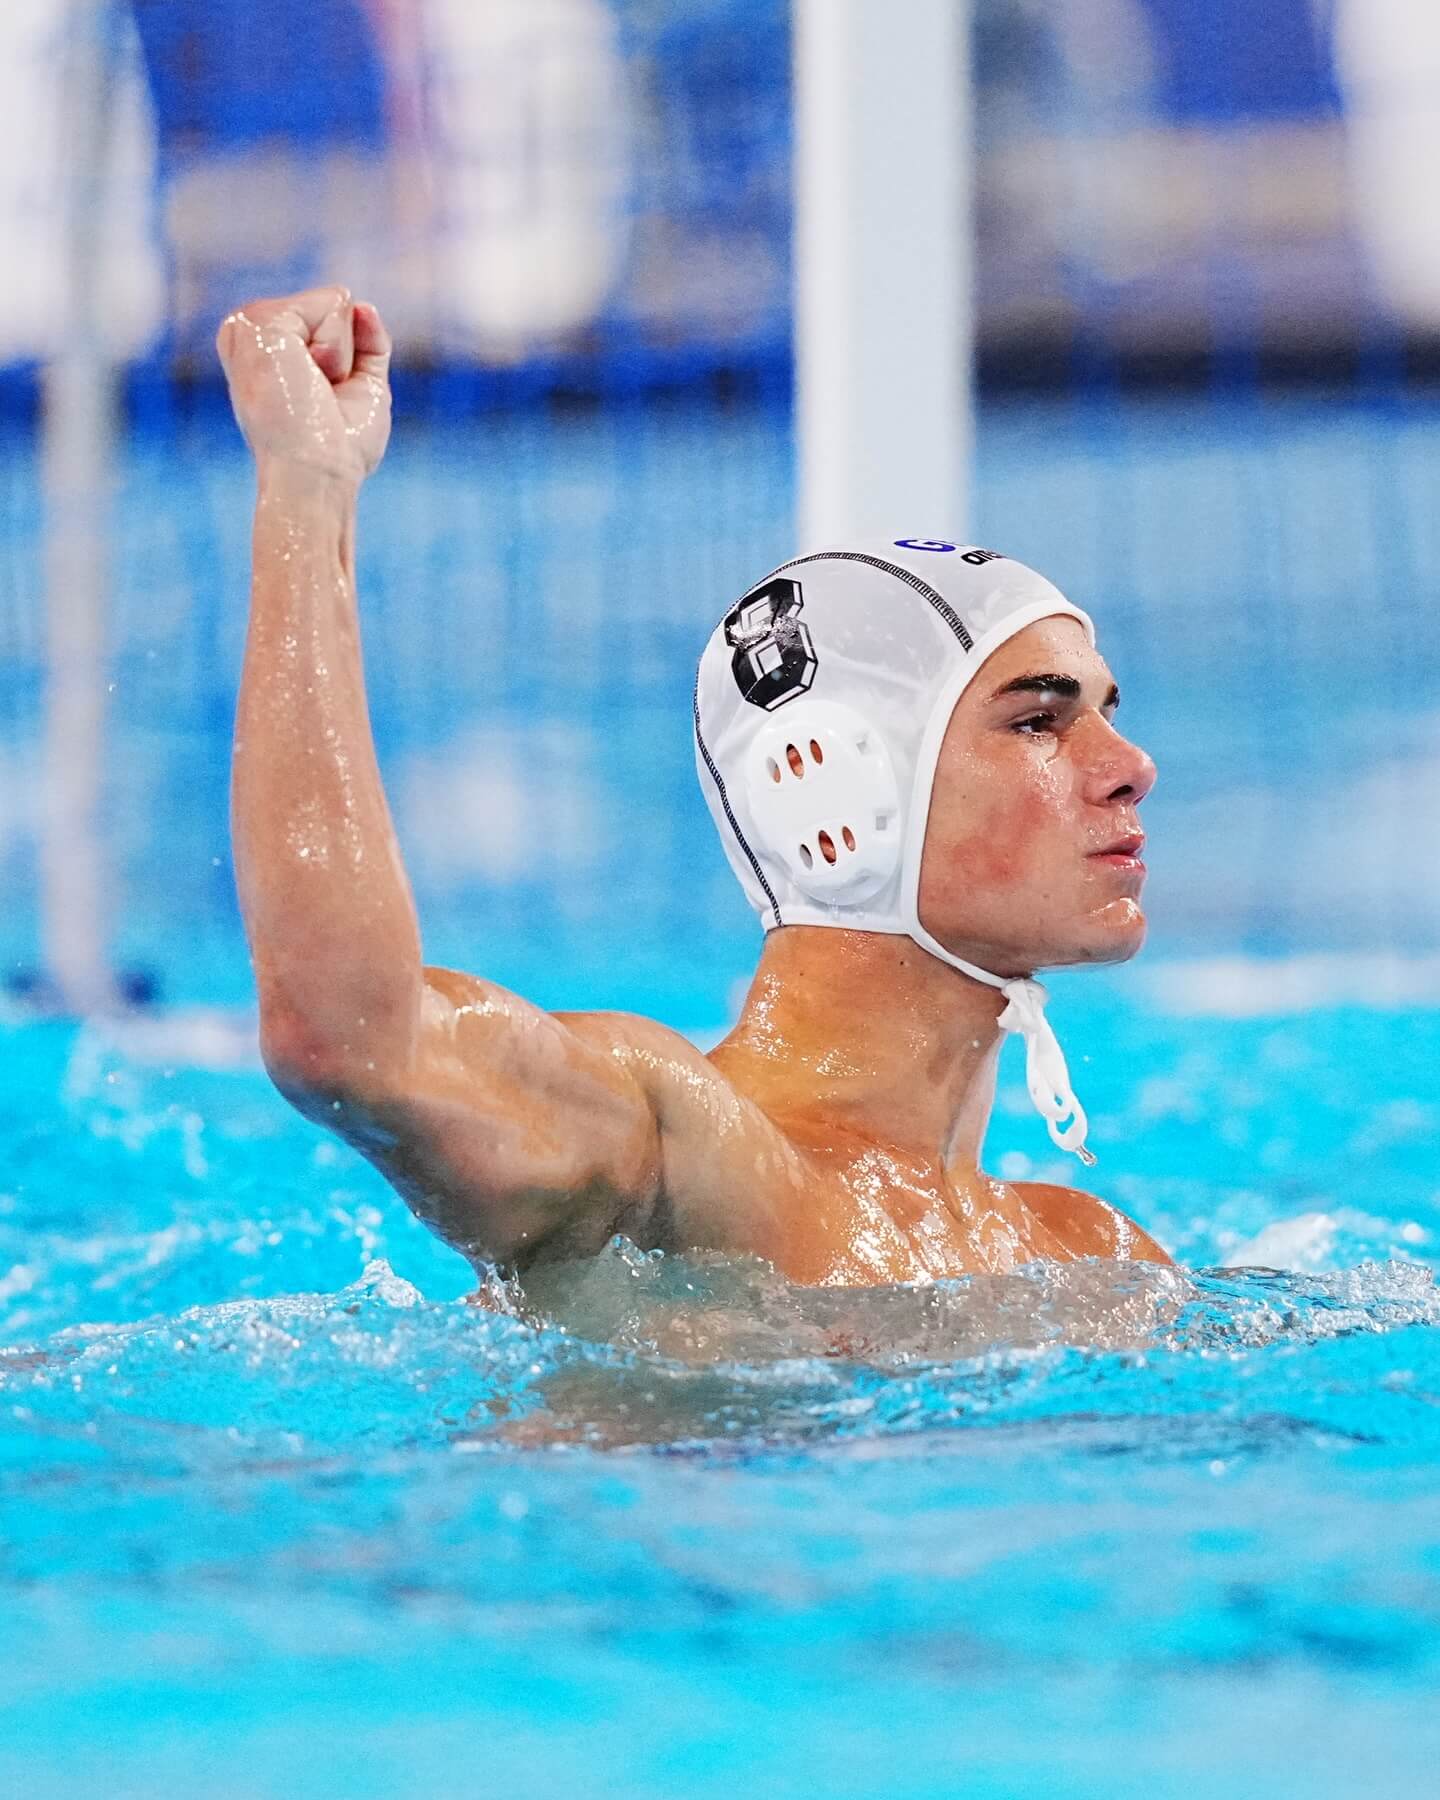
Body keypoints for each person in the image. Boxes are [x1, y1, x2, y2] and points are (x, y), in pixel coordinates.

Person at [218, 286, 1169, 1290]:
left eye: (1107, 712)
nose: (1131, 766)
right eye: (1037, 721)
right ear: (834, 790)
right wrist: (309, 487)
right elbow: (352, 1041)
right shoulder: (670, 1159)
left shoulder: (1088, 1253)